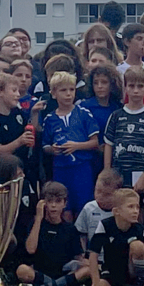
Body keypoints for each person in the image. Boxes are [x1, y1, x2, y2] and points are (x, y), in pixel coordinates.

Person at [86, 188, 144, 286]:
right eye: (130, 207)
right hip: (112, 273)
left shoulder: (140, 229)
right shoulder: (105, 225)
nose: (136, 211)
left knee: (137, 246)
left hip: (132, 271)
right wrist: (95, 284)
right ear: (116, 211)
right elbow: (93, 256)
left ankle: (139, 285)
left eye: (137, 207)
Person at [15, 181, 87, 286]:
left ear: (64, 204)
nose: (53, 205)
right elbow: (30, 249)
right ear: (44, 203)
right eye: (50, 201)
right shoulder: (36, 224)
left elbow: (78, 256)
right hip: (41, 272)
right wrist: (38, 217)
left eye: (58, 202)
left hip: (64, 272)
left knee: (87, 270)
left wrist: (91, 264)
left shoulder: (70, 228)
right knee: (22, 270)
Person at [41, 73, 100, 215]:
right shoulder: (50, 119)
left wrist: (76, 146)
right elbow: (45, 146)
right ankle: (67, 235)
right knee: (64, 208)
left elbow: (95, 142)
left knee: (84, 205)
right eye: (63, 90)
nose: (68, 94)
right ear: (54, 94)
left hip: (81, 167)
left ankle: (83, 236)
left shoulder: (84, 113)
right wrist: (52, 149)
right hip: (60, 168)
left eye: (71, 90)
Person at [104, 65, 144, 187]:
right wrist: (108, 172)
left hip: (141, 175)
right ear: (126, 88)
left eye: (140, 86)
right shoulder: (116, 116)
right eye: (132, 86)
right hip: (118, 175)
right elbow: (108, 145)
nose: (136, 91)